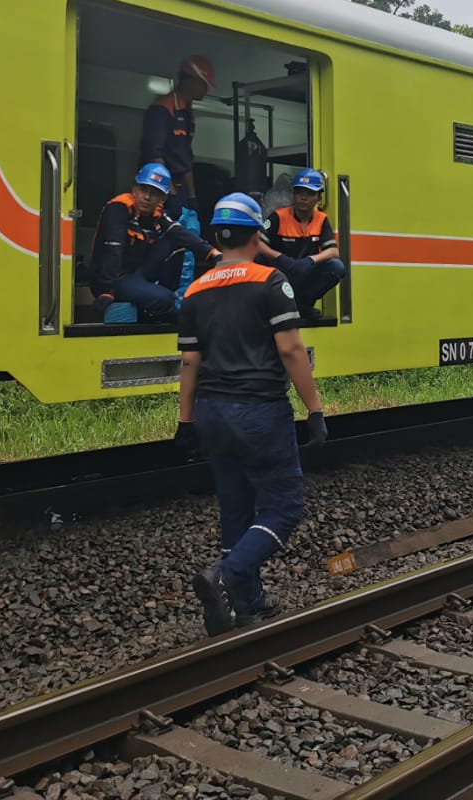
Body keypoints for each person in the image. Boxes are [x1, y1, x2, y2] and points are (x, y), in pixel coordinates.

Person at [175, 192, 328, 634]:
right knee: (284, 509)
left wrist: (185, 421)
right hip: (259, 410)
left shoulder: (195, 290)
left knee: (236, 507)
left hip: (212, 413)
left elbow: (190, 362)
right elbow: (291, 349)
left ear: (217, 238)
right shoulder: (271, 281)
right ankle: (225, 576)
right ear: (257, 236)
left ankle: (247, 603)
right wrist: (315, 409)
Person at [90, 163, 219, 321]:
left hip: (136, 274)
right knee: (165, 299)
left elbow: (181, 233)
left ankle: (157, 296)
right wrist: (106, 290)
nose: (147, 197)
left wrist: (214, 254)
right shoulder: (119, 209)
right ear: (134, 189)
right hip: (113, 279)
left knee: (175, 240)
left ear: (162, 198)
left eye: (154, 193)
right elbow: (112, 250)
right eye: (144, 190)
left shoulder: (156, 215)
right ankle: (154, 305)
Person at [259, 168, 345, 318]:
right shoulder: (278, 216)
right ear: (294, 195)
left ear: (319, 197)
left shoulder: (321, 219)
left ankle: (303, 304)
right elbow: (258, 244)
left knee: (336, 267)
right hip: (280, 272)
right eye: (299, 192)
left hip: (305, 272)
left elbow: (333, 251)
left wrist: (310, 261)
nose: (303, 198)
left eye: (310, 193)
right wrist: (279, 257)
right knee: (256, 259)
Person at [140, 54, 215, 220]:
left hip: (179, 190)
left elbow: (185, 158)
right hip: (160, 189)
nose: (206, 90)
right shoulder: (163, 108)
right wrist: (168, 190)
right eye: (205, 85)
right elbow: (153, 154)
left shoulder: (187, 112)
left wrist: (192, 196)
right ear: (192, 81)